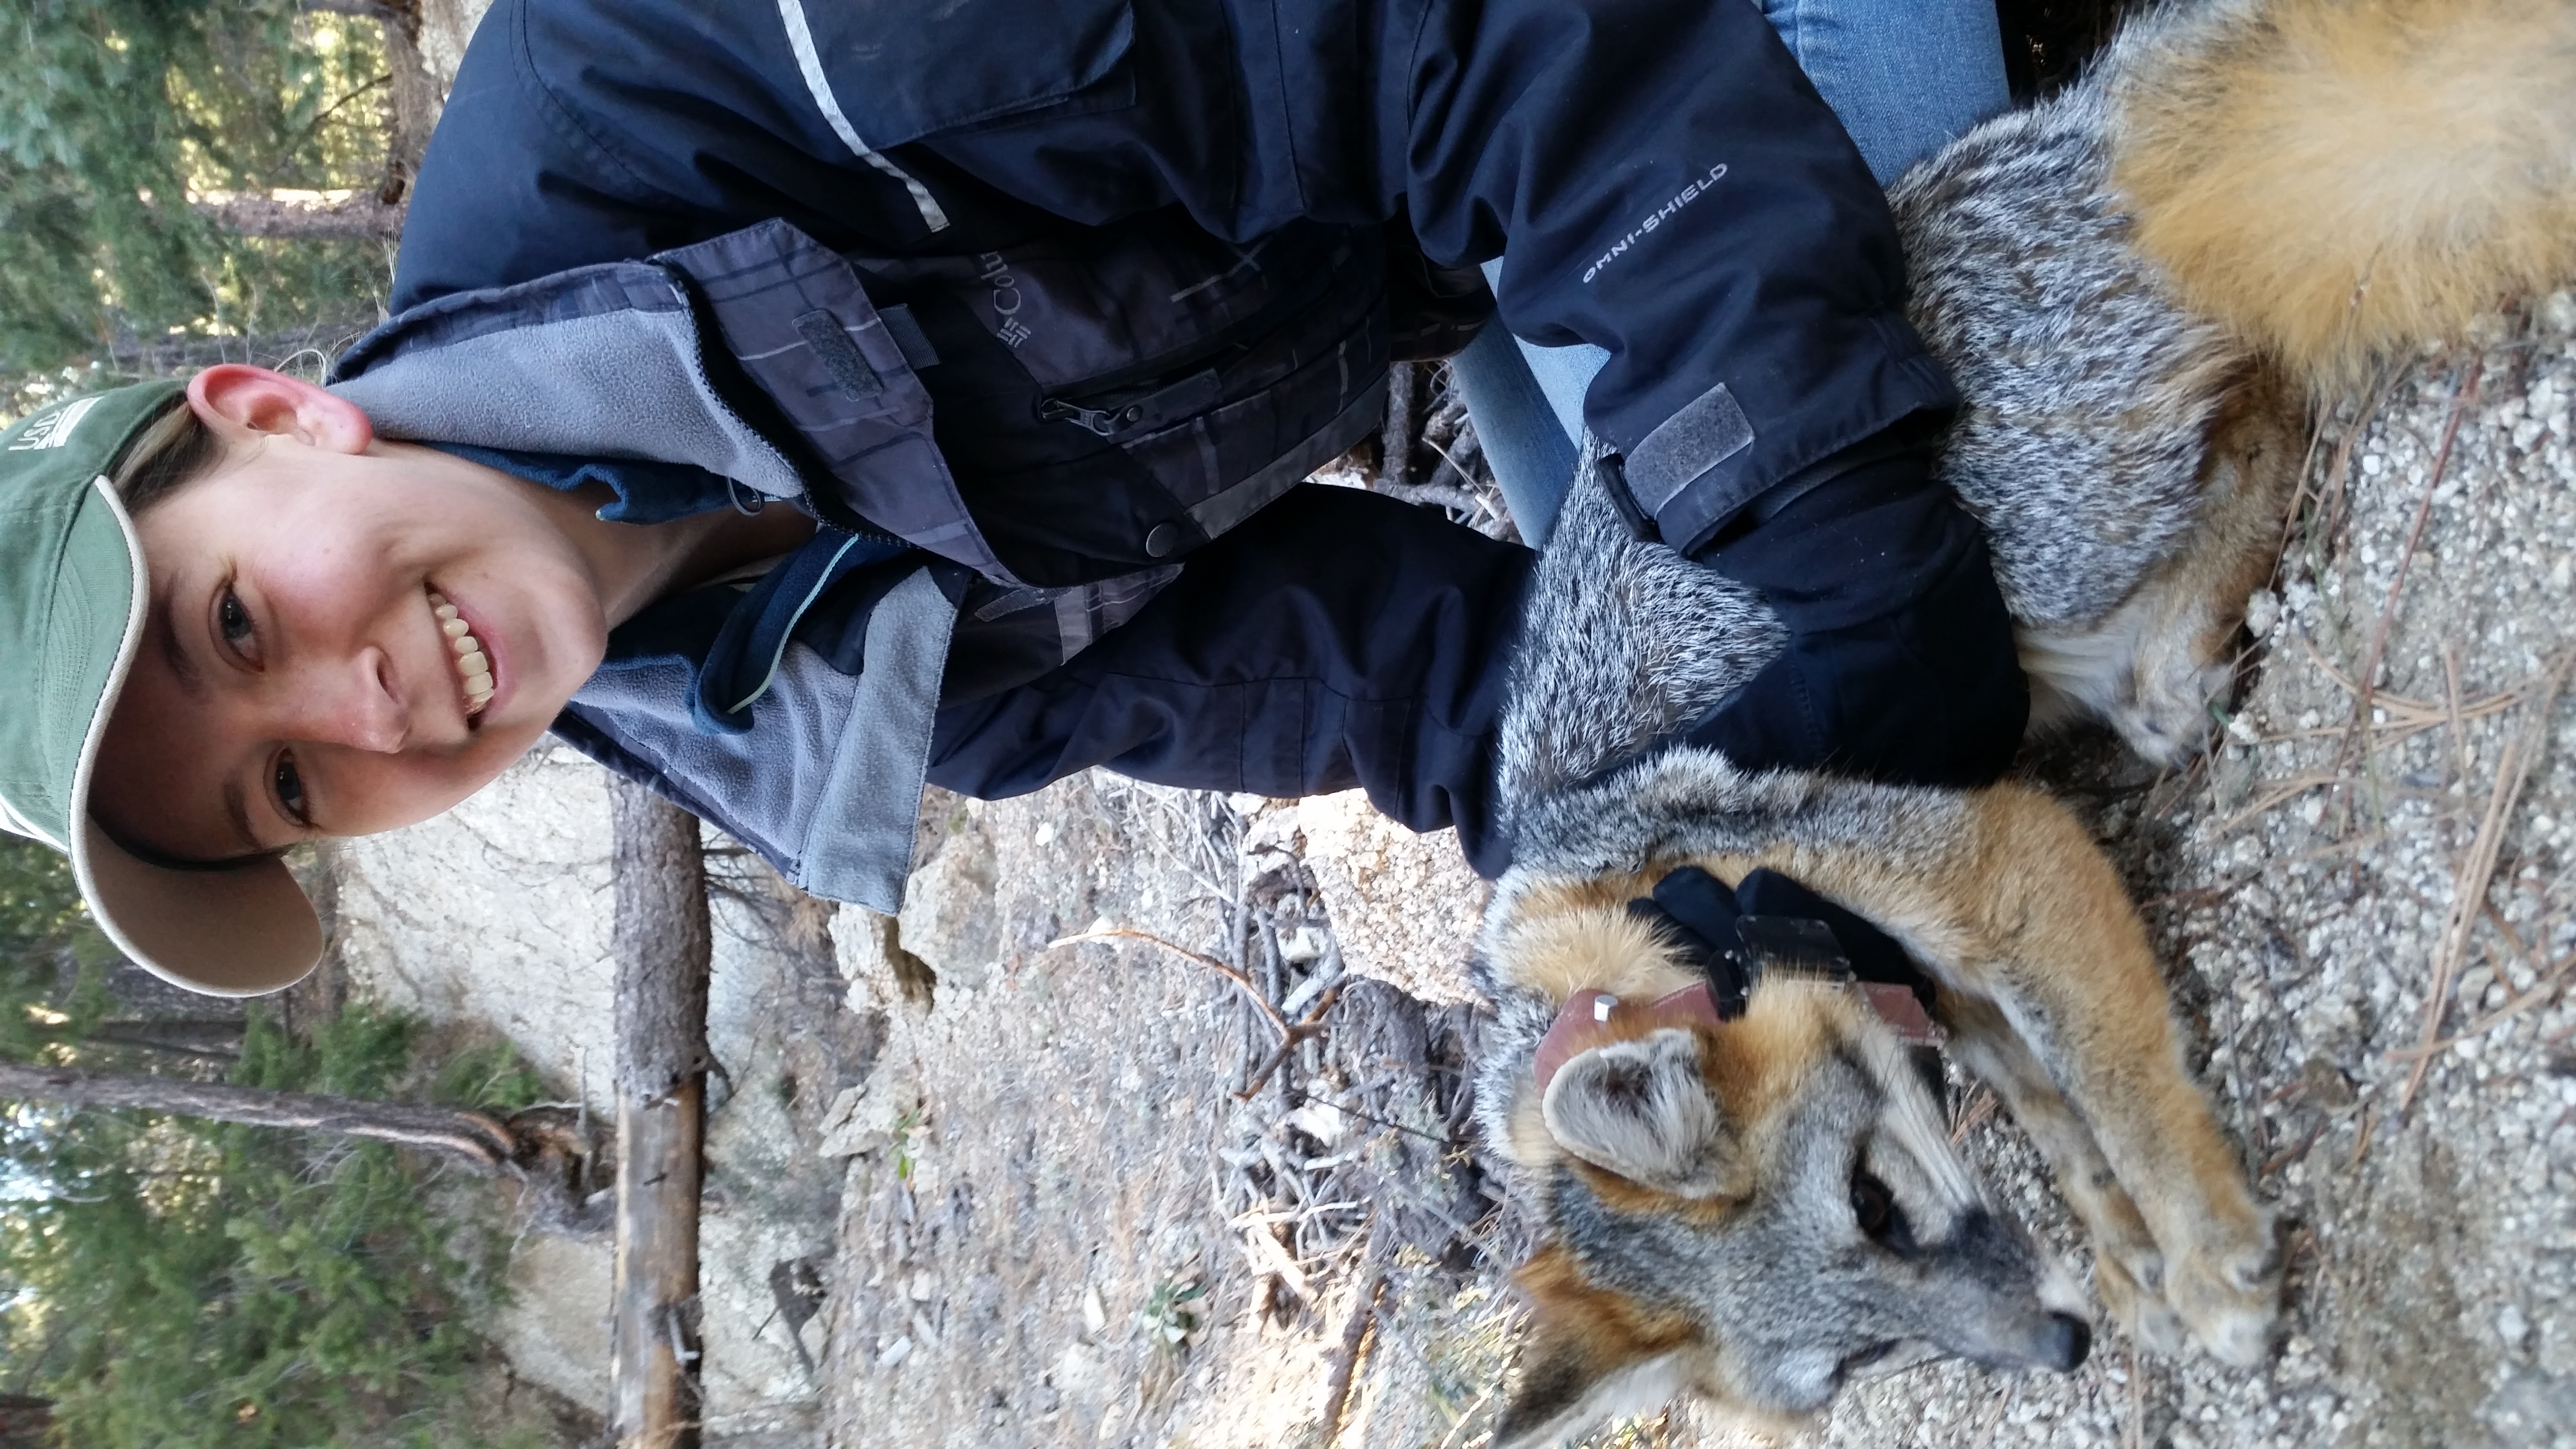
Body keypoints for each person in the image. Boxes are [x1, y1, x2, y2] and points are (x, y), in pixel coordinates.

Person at [0, 0, 2022, 997]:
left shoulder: (680, 77)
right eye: (286, 791)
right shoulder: (765, 708)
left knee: (1938, 481)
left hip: (1531, 59)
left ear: (274, 412)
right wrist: (1621, 909)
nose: (360, 715)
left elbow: (1454, 40)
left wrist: (1807, 507)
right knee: (1742, 766)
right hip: (1468, 235)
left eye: (236, 626)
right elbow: (1382, 680)